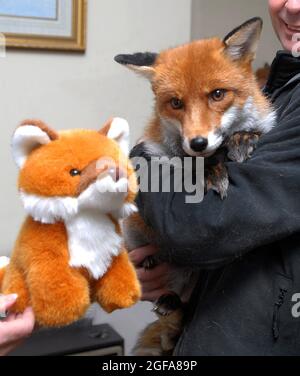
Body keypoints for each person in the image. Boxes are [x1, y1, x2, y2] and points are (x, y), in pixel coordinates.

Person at [129, 0, 300, 355]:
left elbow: (195, 227)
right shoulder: (282, 86)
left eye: (216, 95)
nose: (292, 7)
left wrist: (142, 156)